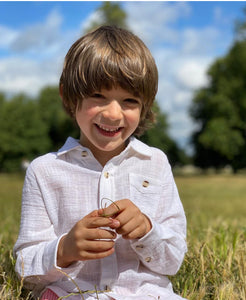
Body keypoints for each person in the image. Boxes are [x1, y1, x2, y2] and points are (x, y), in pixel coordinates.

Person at [14, 25, 187, 300]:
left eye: (129, 100)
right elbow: (25, 267)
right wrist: (65, 248)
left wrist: (147, 230)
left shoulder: (155, 163)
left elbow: (174, 260)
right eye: (98, 96)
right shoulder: (44, 171)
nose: (113, 114)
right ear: (69, 96)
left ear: (145, 105)